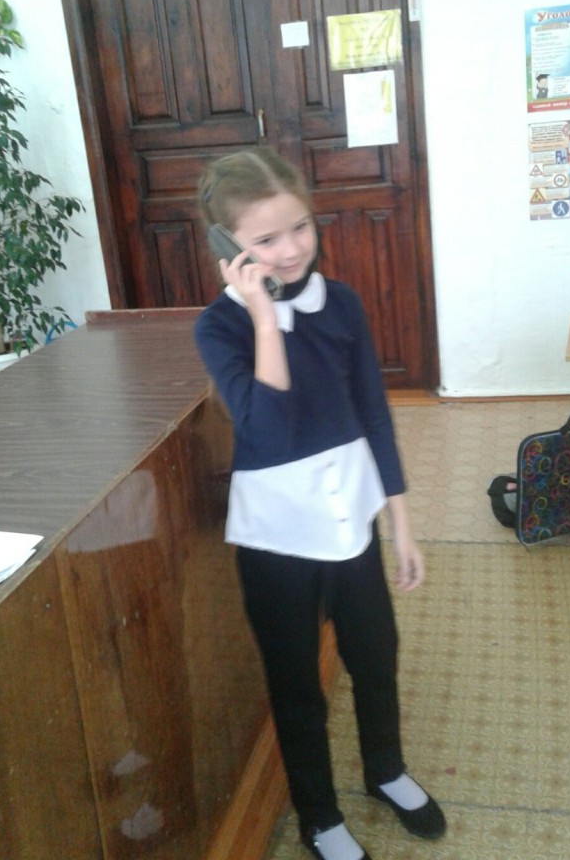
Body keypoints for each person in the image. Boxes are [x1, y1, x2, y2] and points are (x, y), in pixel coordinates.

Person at [194, 148, 446, 860]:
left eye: (300, 227)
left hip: (352, 523)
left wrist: (401, 526)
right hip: (278, 538)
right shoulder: (219, 328)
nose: (291, 250)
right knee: (297, 683)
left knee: (376, 654)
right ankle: (319, 815)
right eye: (265, 239)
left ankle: (385, 771)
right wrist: (265, 318)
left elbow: (373, 413)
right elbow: (266, 428)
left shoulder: (342, 304)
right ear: (227, 248)